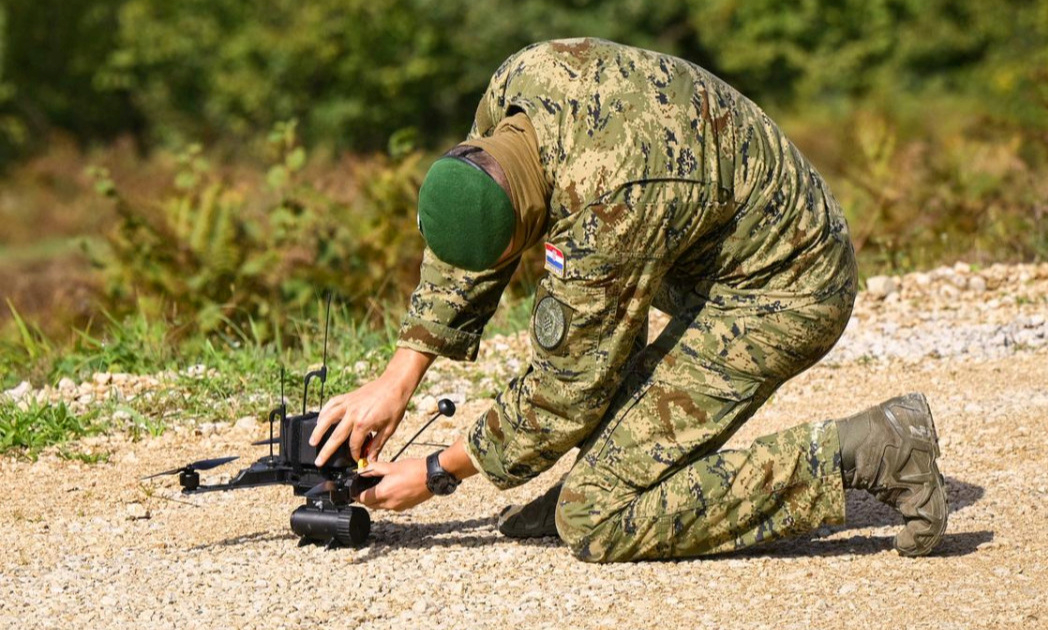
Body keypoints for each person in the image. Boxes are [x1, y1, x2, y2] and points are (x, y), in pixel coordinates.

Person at [310, 38, 947, 562]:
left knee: (595, 517)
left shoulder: (606, 209)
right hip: (702, 237)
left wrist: (436, 472)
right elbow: (471, 216)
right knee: (595, 335)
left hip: (787, 283)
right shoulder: (518, 85)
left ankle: (871, 450)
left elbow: (565, 390)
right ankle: (614, 467)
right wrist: (397, 380)